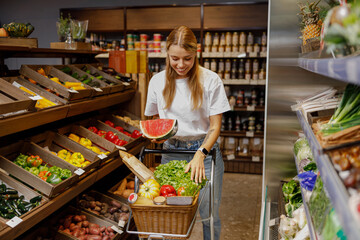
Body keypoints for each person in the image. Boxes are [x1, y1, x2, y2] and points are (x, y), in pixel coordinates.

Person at [144, 25, 230, 240]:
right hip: (171, 151)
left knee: (209, 215)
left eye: (187, 59)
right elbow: (155, 119)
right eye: (175, 58)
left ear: (196, 54)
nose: (181, 65)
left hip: (204, 154)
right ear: (167, 54)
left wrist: (200, 153)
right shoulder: (157, 80)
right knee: (170, 211)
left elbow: (215, 126)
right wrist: (156, 134)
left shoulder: (210, 80)